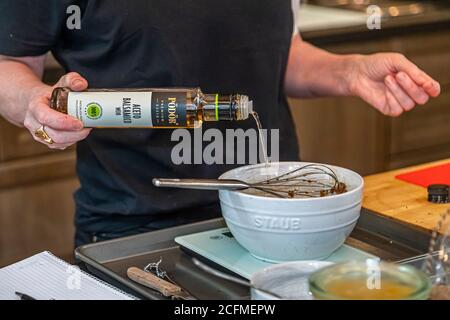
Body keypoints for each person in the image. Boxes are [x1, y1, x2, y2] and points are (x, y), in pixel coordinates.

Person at [0, 1, 441, 246]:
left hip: (274, 213)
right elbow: (10, 63)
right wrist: (33, 101)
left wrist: (349, 71)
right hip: (135, 223)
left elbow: (280, 53)